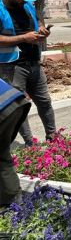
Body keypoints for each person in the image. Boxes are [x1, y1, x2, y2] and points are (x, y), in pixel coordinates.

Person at [0, 0, 56, 145]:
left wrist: (41, 29)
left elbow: (38, 20)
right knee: (20, 106)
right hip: (12, 66)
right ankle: (30, 144)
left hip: (33, 62)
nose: (24, 1)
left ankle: (53, 137)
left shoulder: (26, 5)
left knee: (44, 101)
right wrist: (24, 38)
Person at [0, 78, 31, 207]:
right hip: (14, 101)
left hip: (3, 106)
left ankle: (11, 202)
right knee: (2, 155)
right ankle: (13, 202)